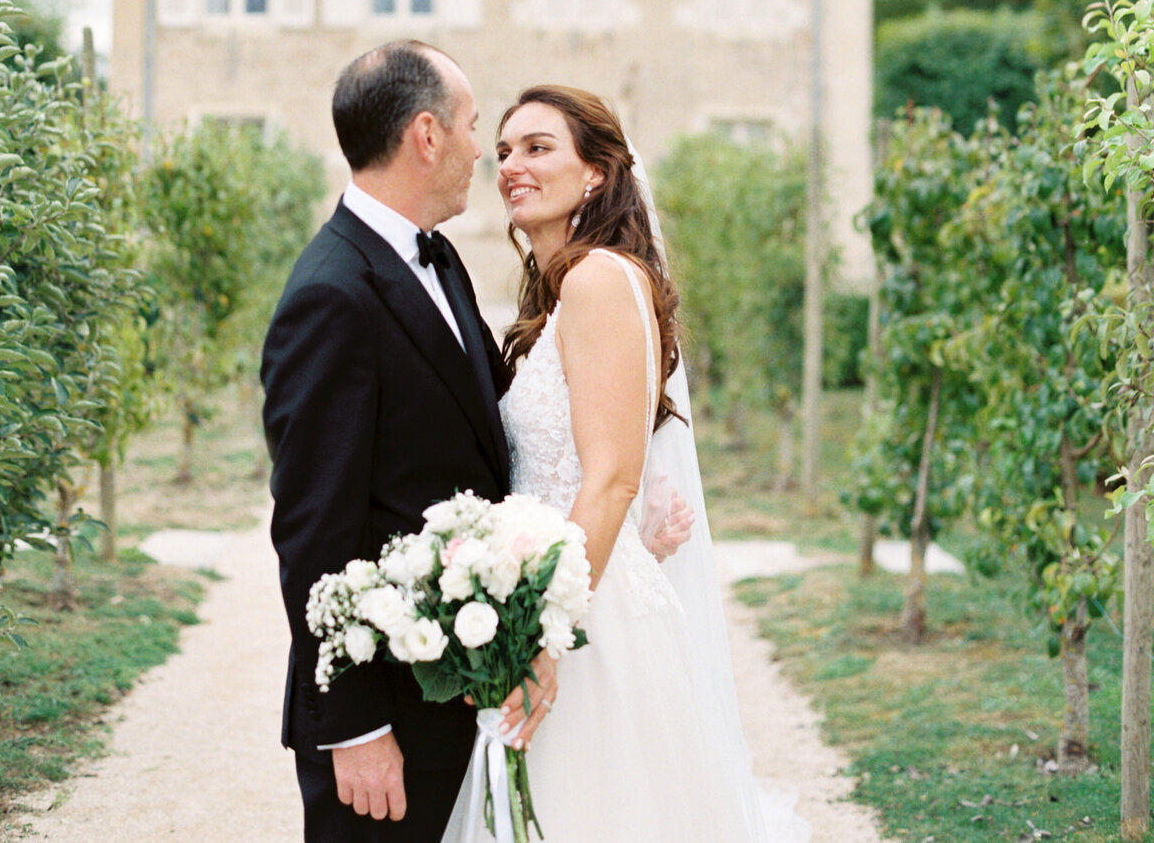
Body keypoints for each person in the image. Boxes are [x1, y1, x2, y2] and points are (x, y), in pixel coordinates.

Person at [442, 84, 799, 843]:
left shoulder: (598, 279)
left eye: (539, 147)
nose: (511, 164)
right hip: (575, 585)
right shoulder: (565, 289)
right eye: (503, 149)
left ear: (597, 173)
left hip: (585, 623)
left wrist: (544, 639)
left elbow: (609, 479)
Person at [261, 41, 512, 842]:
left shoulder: (438, 262)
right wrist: (354, 724)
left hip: (452, 691)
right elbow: (313, 530)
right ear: (428, 135)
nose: (483, 148)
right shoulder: (332, 295)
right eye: (474, 127)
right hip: (388, 715)